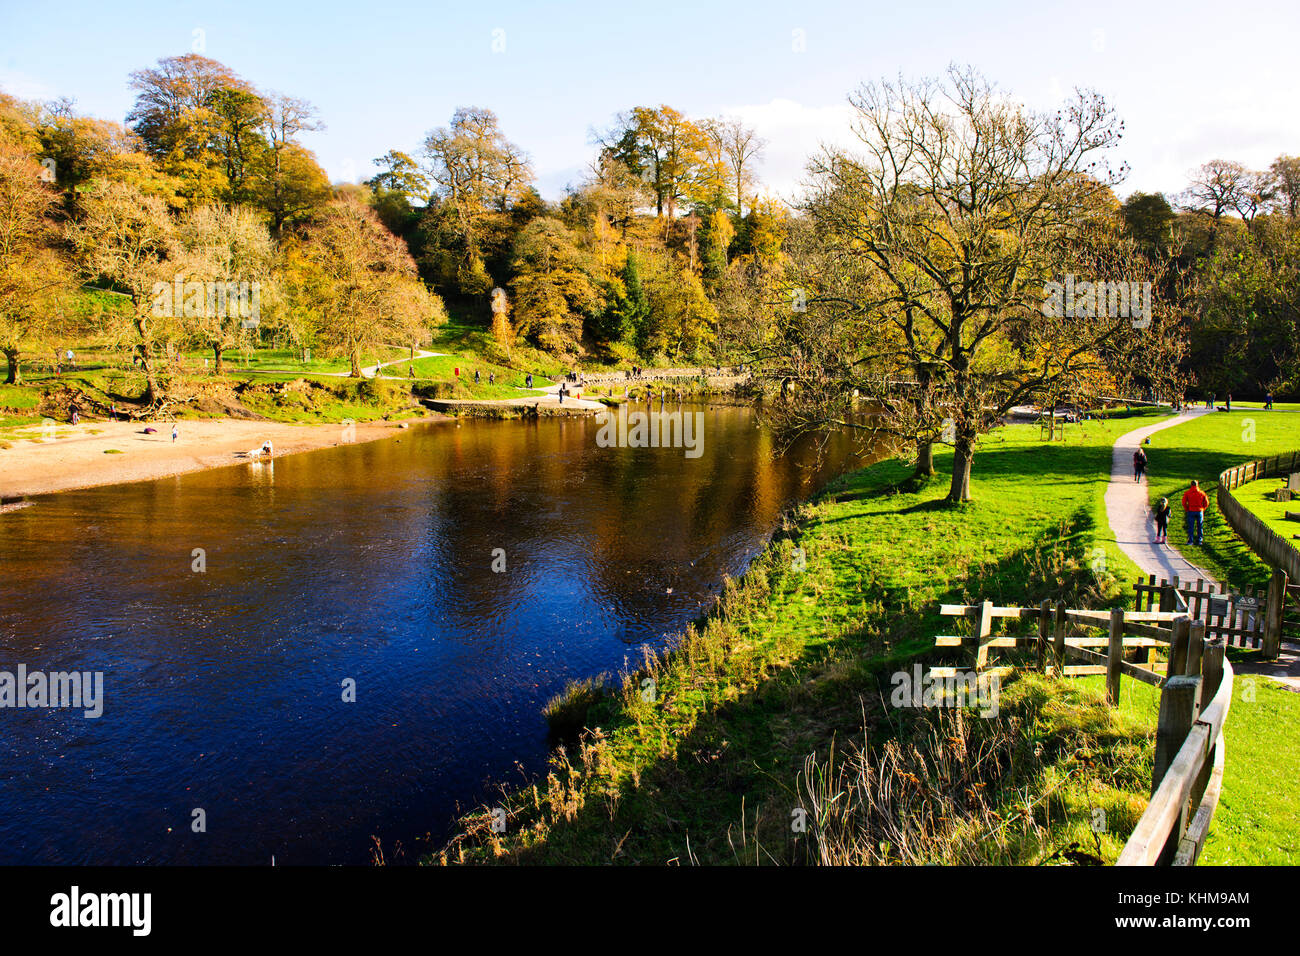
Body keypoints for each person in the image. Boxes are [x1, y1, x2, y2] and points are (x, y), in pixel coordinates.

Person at [1182, 479, 1209, 546]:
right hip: (1199, 511)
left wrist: (1186, 509)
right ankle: (1199, 540)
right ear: (1197, 485)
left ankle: (1190, 541)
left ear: (1191, 485)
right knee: (1200, 526)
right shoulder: (1202, 493)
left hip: (1191, 510)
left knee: (1191, 526)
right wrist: (1203, 508)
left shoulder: (1187, 493)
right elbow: (1206, 503)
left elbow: (1184, 502)